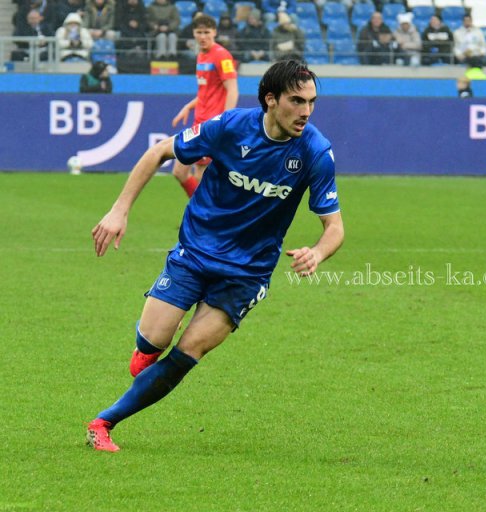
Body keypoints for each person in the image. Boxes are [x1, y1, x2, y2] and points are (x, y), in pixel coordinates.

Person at [86, 59, 344, 453]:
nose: (306, 111)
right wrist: (119, 210)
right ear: (271, 100)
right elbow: (160, 152)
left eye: (311, 102)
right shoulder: (231, 126)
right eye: (297, 101)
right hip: (195, 252)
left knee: (190, 351)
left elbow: (335, 227)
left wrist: (318, 252)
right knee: (152, 345)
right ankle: (147, 347)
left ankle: (103, 422)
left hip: (247, 273)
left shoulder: (315, 151)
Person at [170, 13, 239, 197]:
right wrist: (188, 106)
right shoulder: (201, 55)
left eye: (206, 32)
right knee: (180, 172)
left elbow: (232, 90)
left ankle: (204, 213)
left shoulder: (222, 55)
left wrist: (225, 121)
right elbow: (206, 91)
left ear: (214, 32)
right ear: (193, 33)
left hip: (211, 125)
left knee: (200, 174)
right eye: (199, 32)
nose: (202, 36)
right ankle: (203, 211)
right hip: (198, 122)